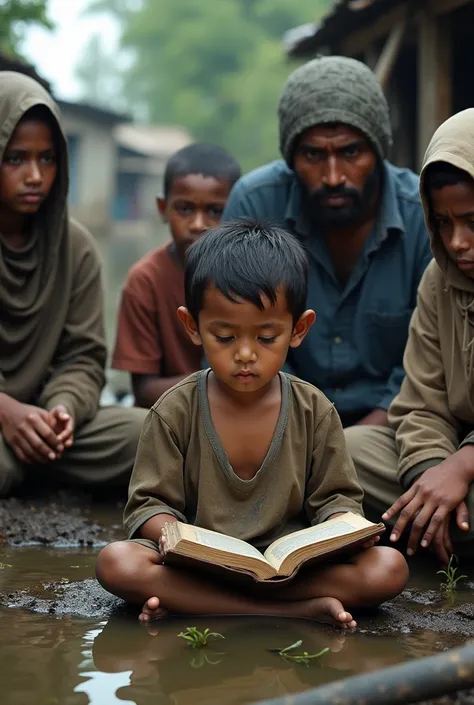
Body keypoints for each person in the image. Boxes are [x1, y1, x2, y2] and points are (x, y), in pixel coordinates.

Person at [96, 220, 408, 627]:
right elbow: (149, 506)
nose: (245, 354)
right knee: (117, 562)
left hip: (293, 572)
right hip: (202, 568)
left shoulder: (314, 410)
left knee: (389, 567)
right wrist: (176, 536)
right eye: (224, 337)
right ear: (193, 327)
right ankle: (292, 613)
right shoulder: (174, 410)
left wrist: (340, 530)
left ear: (299, 329)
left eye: (266, 337)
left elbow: (337, 502)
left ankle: (202, 606)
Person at [223, 56, 432, 428]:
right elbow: (233, 339)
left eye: (351, 152)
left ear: (377, 151)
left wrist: (346, 448)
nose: (333, 176)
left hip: (395, 422)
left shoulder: (424, 217)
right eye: (313, 154)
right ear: (291, 159)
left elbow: (432, 362)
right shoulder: (255, 204)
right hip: (276, 418)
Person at [0, 71, 148, 497]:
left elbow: (83, 358)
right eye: (15, 159)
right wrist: (8, 412)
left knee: (149, 435)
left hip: (49, 426)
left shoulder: (76, 246)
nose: (34, 175)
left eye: (47, 159)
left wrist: (60, 411)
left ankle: (38, 458)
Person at [345, 109, 474, 565]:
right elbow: (420, 403)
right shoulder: (439, 281)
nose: (457, 242)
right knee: (348, 453)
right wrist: (432, 476)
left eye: (471, 222)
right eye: (443, 223)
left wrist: (464, 465)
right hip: (449, 463)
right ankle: (433, 522)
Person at [112, 143, 241, 408]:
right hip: (176, 413)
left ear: (237, 209)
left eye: (215, 211)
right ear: (163, 208)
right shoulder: (145, 280)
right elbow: (144, 390)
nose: (197, 224)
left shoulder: (254, 275)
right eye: (184, 209)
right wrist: (222, 380)